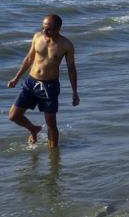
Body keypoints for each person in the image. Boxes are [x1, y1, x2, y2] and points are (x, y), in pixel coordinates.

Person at [7, 14, 79, 147]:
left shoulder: (66, 45)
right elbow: (29, 59)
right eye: (43, 27)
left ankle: (54, 158)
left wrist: (75, 92)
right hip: (31, 82)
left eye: (49, 29)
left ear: (58, 28)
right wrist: (16, 78)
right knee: (13, 116)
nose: (45, 31)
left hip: (49, 86)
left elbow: (71, 69)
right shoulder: (37, 37)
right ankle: (33, 129)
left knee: (51, 123)